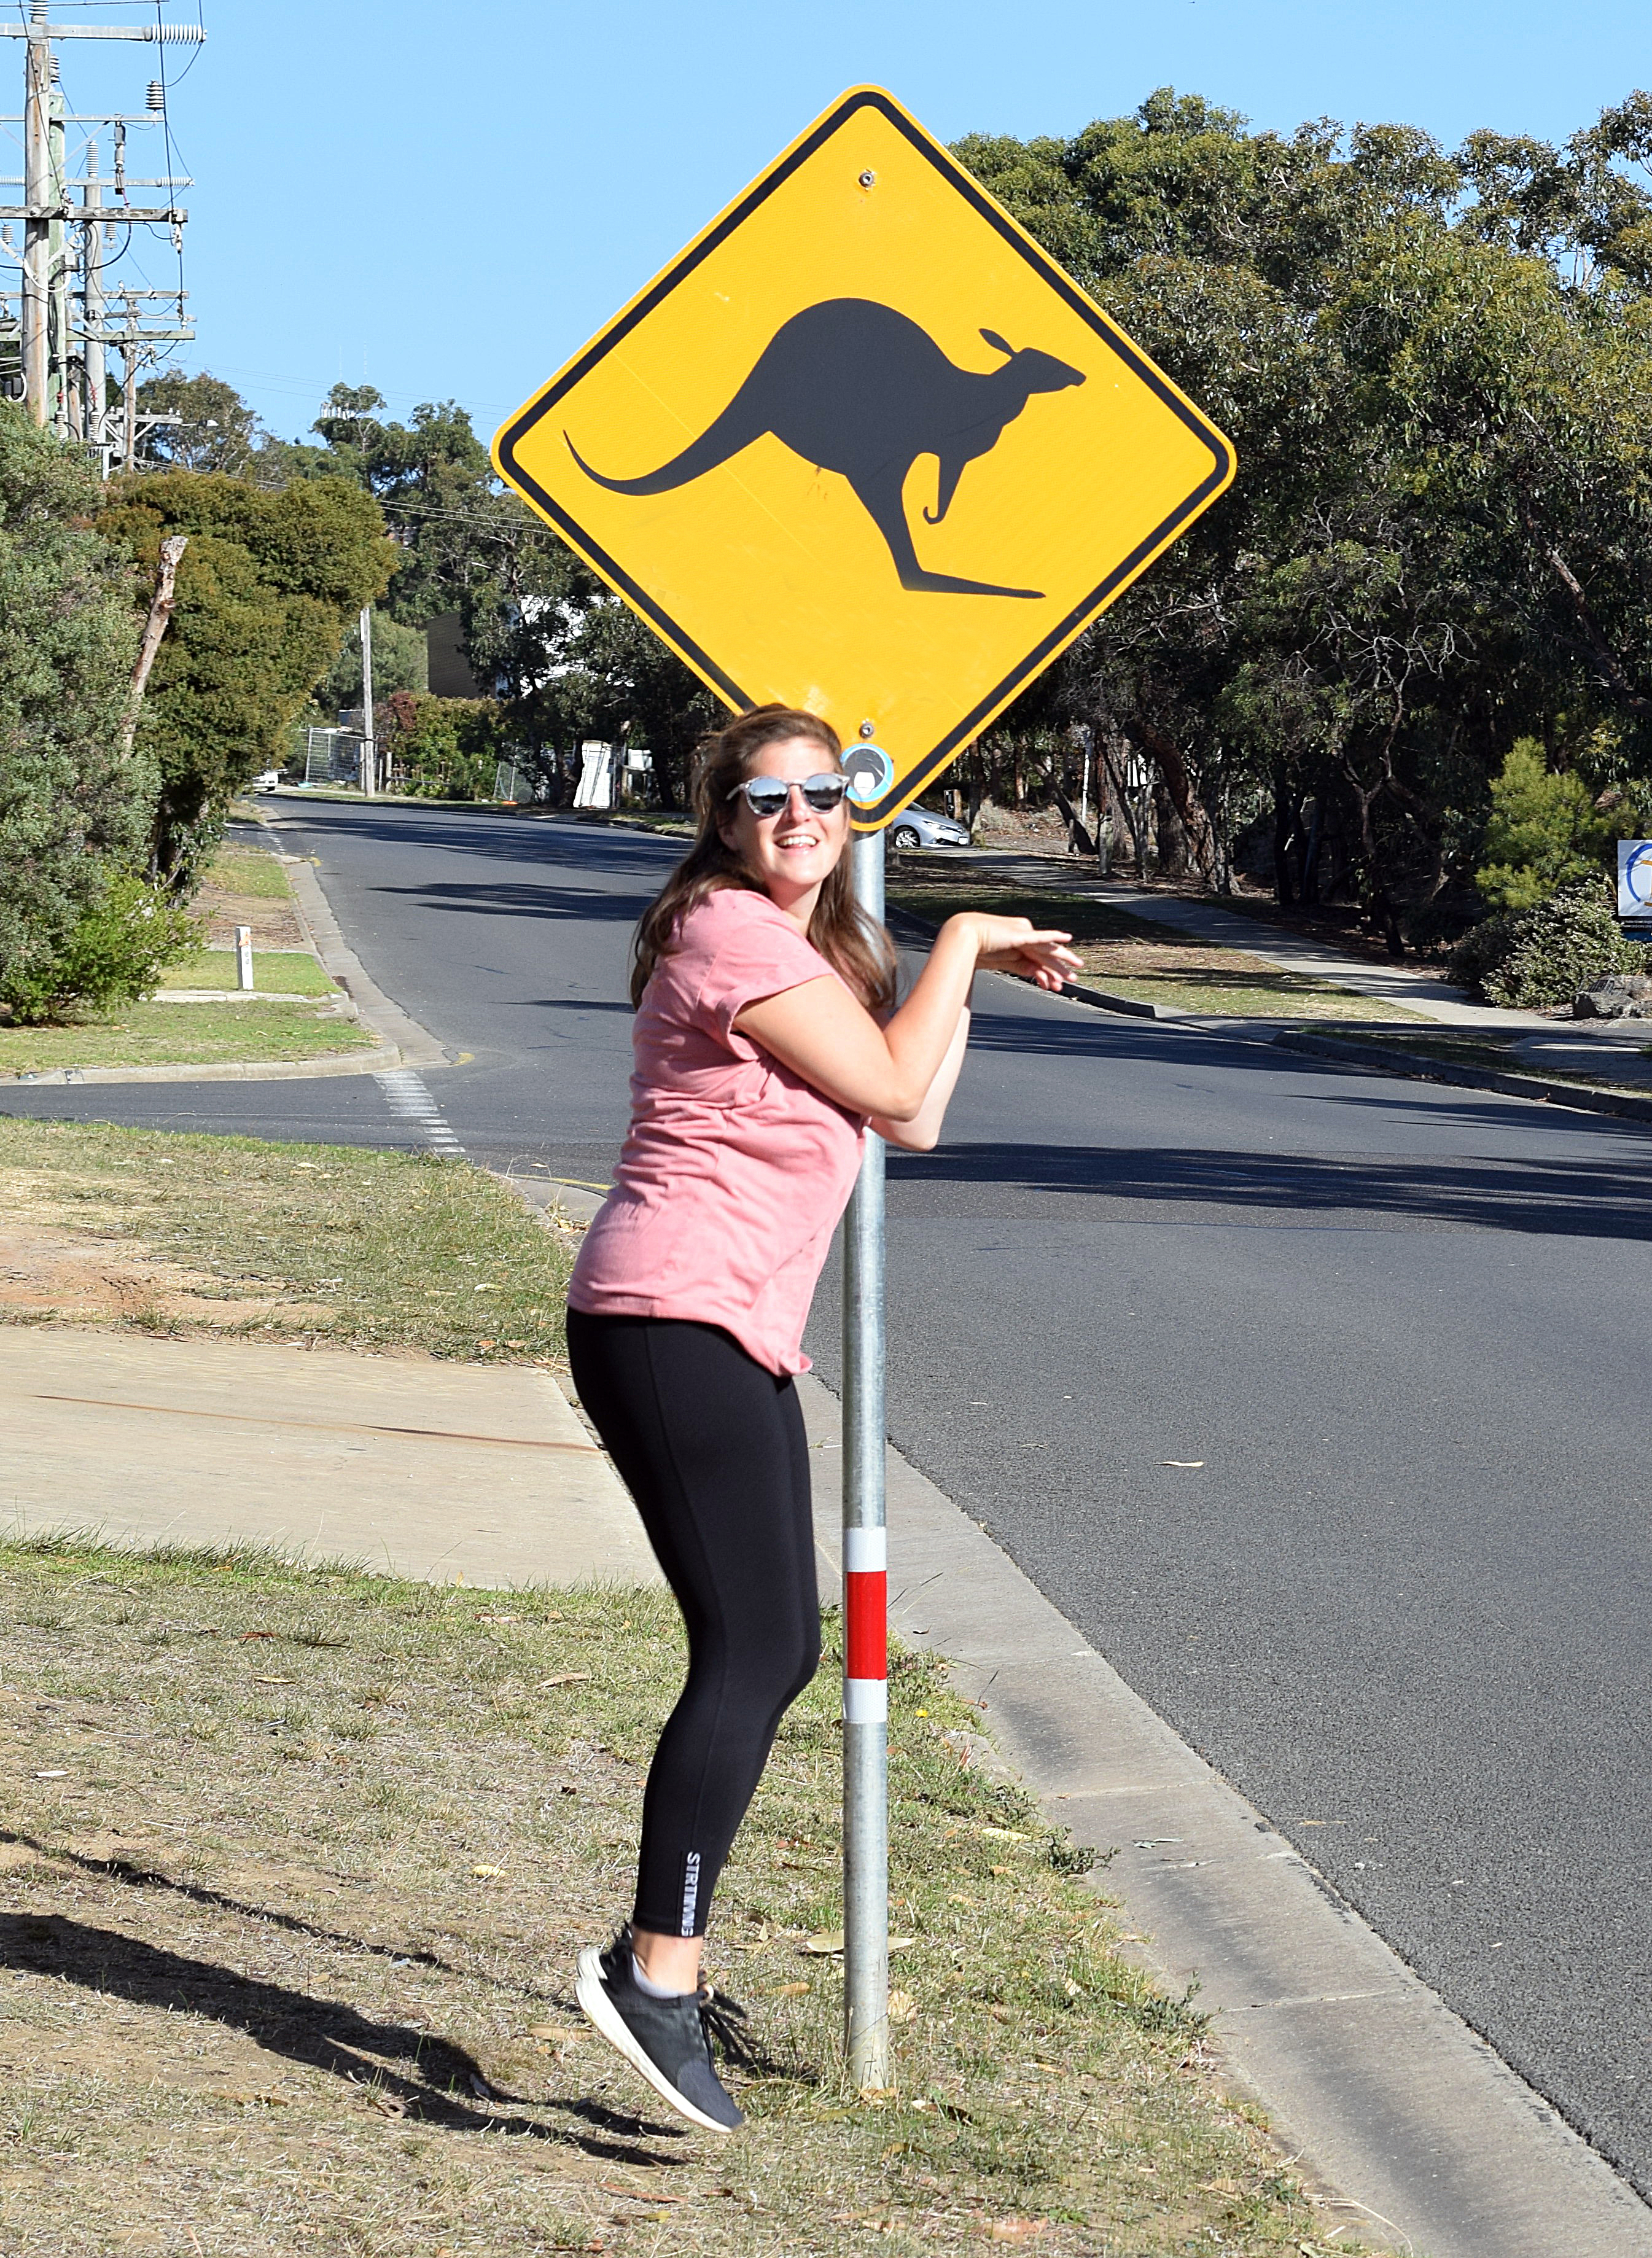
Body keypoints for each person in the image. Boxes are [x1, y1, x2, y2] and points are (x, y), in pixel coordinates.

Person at [563, 703, 1077, 2131]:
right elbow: (902, 1086)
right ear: (724, 821)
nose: (802, 814)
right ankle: (653, 1976)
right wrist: (968, 940)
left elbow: (907, 1119)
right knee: (758, 1646)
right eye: (767, 797)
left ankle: (663, 1962)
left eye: (827, 793)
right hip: (671, 1315)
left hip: (719, 1326)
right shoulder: (728, 935)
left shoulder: (790, 948)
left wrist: (953, 974)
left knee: (768, 1645)